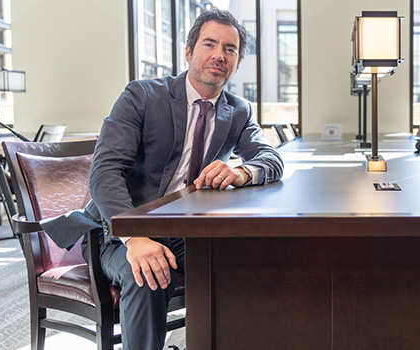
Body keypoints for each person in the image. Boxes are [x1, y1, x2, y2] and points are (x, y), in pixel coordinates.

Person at [43, 8, 283, 350]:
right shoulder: (141, 96)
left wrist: (242, 171)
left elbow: (271, 158)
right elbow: (105, 172)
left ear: (238, 62)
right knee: (149, 275)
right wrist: (136, 237)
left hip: (187, 230)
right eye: (209, 44)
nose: (219, 55)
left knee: (244, 263)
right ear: (188, 52)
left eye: (230, 49)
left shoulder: (238, 110)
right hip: (118, 232)